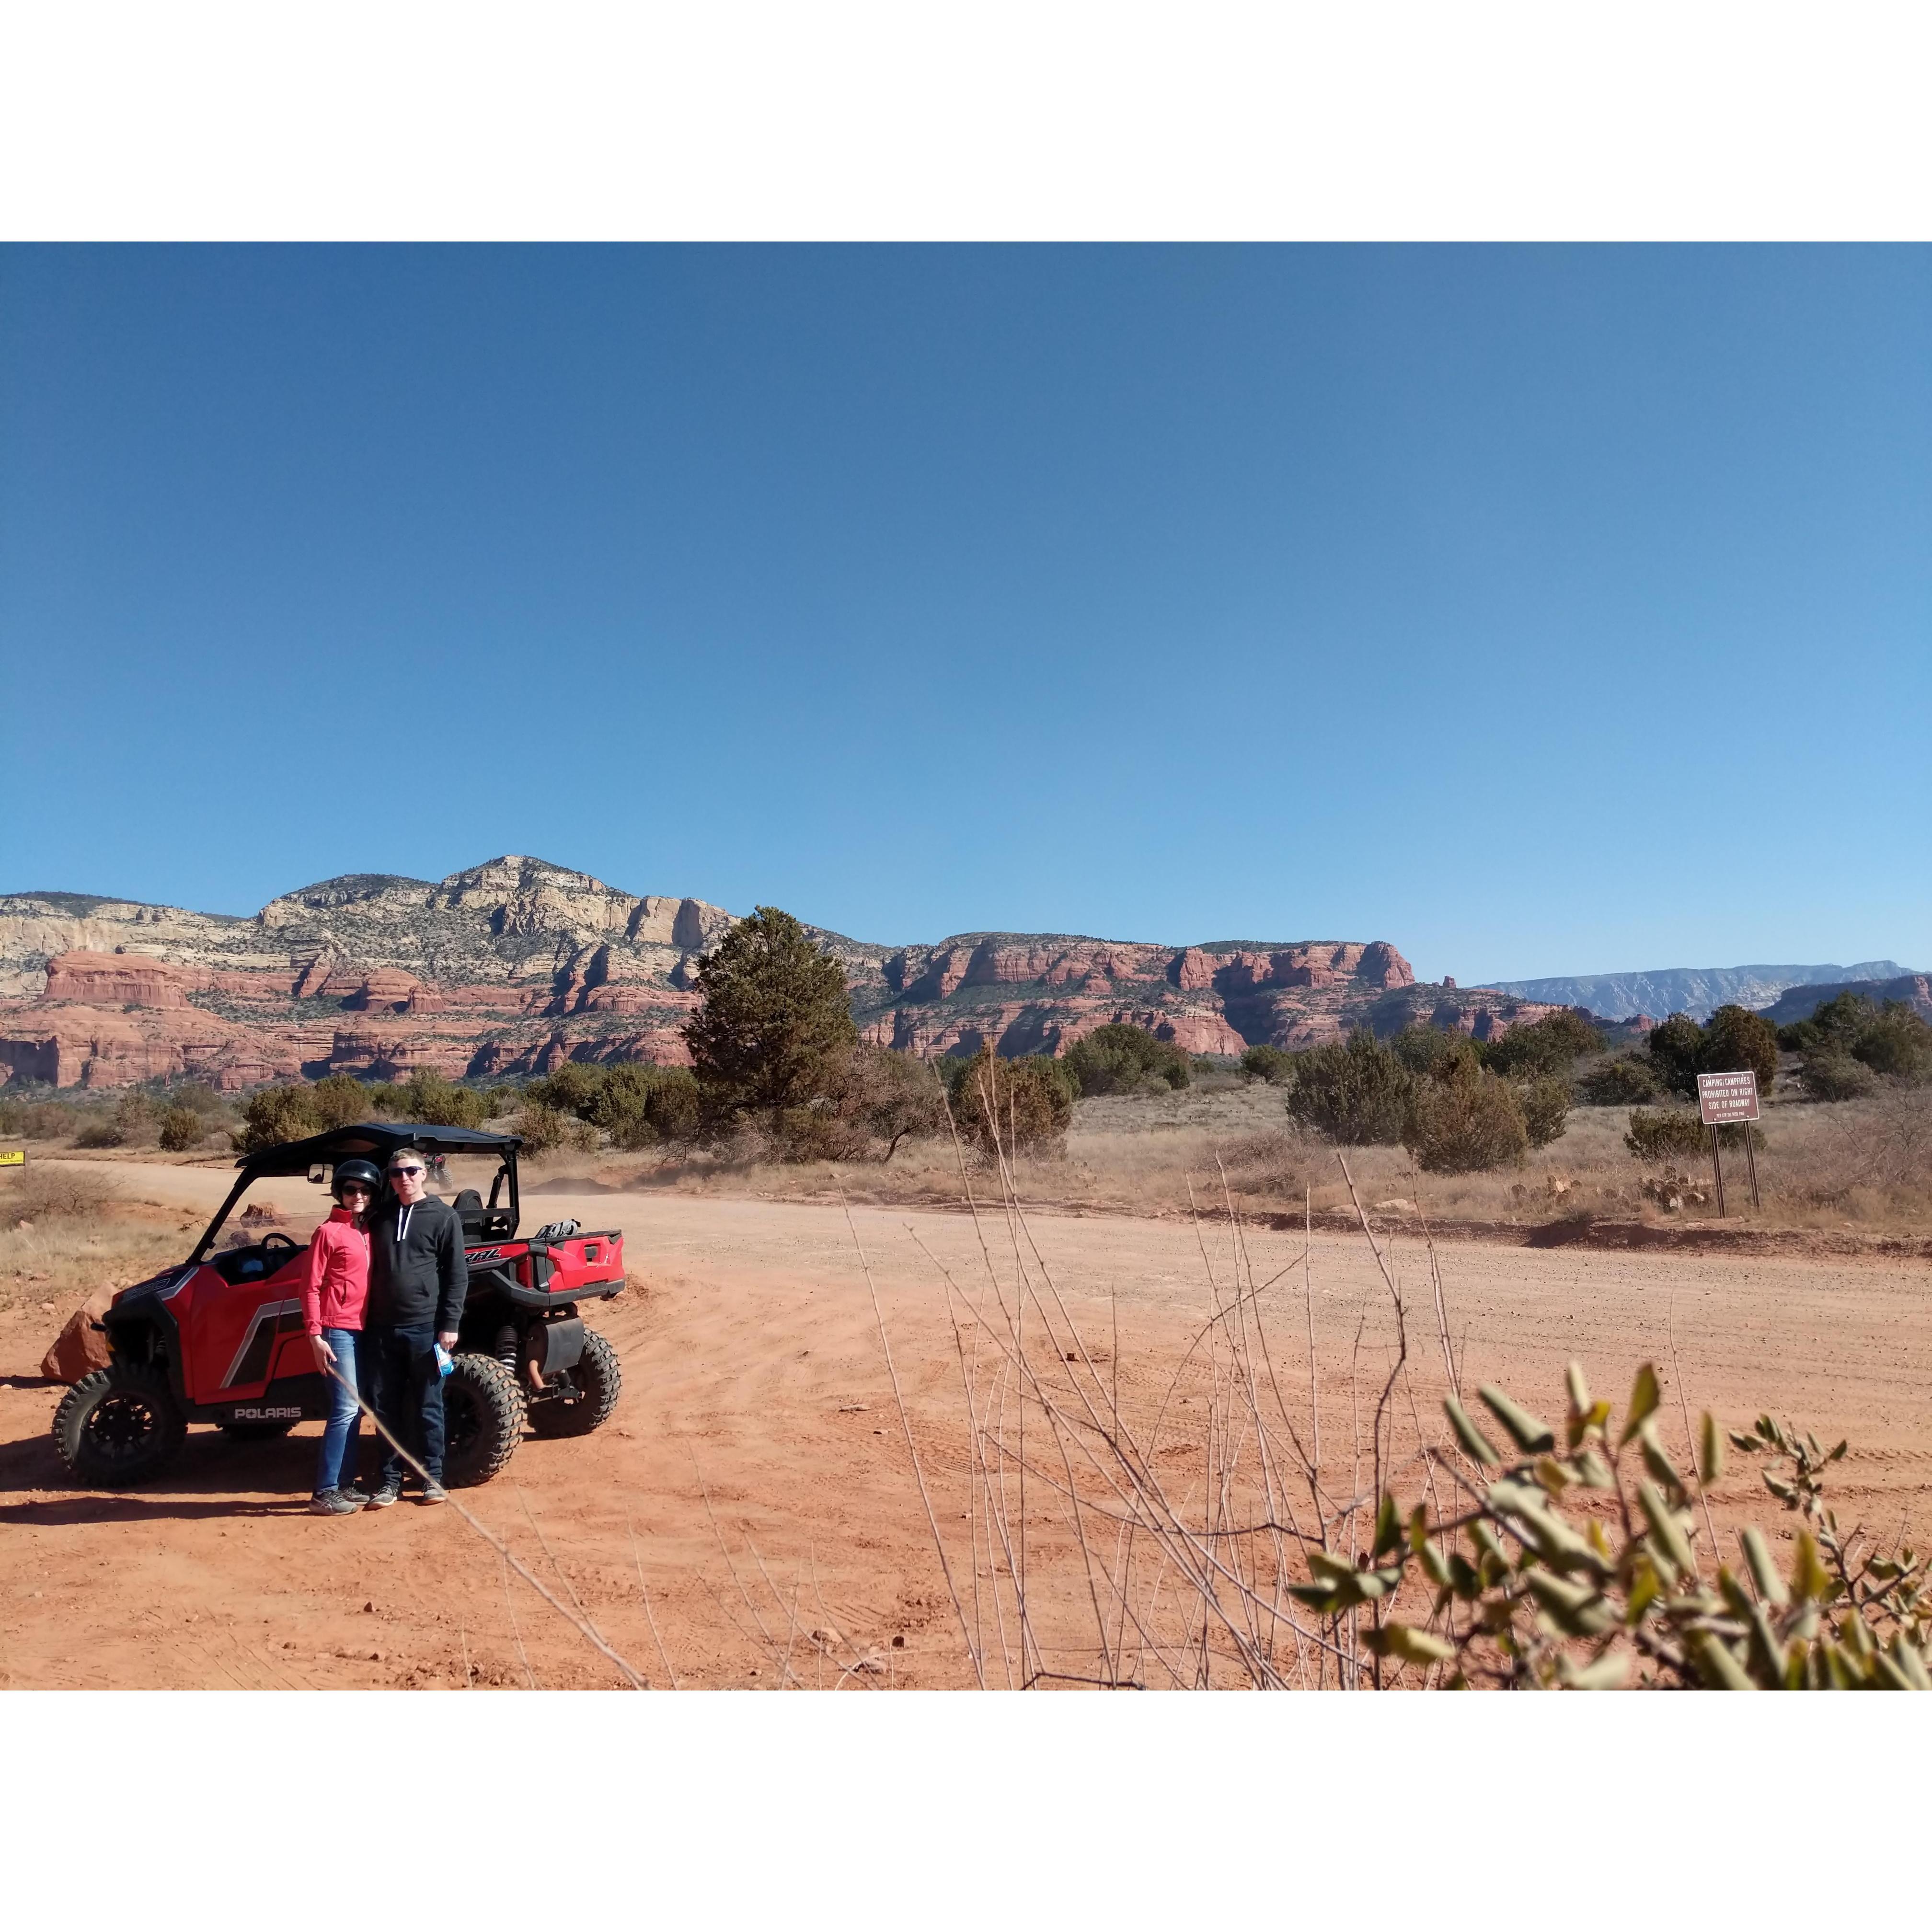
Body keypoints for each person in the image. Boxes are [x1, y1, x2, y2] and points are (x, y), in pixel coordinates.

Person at [361, 1144, 469, 1506]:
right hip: (379, 1329)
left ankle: (432, 1478)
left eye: (410, 1171)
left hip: (425, 1327)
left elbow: (457, 1275)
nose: (403, 1179)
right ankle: (389, 1481)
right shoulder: (379, 1216)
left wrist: (449, 1323)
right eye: (395, 1173)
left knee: (428, 1404)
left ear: (424, 1173)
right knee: (384, 1406)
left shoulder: (442, 1217)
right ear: (388, 1179)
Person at [300, 1158, 381, 1516]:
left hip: (360, 1329)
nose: (357, 1196)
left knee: (355, 1409)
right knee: (345, 1408)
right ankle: (325, 1491)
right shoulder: (327, 1232)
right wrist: (315, 1335)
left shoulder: (364, 1232)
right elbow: (311, 1286)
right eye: (351, 1190)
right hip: (336, 1329)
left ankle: (344, 1484)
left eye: (364, 1190)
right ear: (339, 1192)